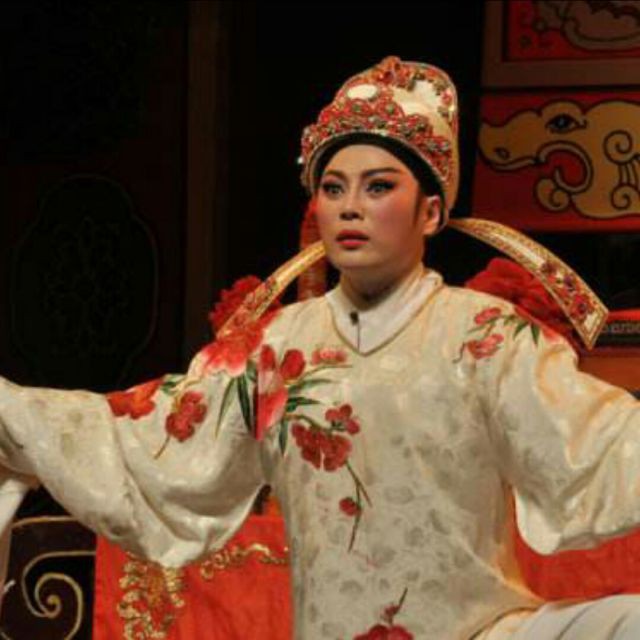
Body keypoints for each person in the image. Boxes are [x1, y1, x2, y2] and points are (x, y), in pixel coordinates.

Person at [0, 55, 640, 640]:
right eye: (333, 189)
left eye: (378, 187)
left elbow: (602, 442)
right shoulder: (275, 347)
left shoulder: (486, 336)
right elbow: (148, 436)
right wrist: (13, 413)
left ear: (431, 213)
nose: (350, 208)